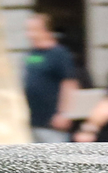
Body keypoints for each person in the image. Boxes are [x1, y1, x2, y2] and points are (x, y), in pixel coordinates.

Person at [21, 13, 85, 142]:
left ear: (45, 31)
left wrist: (64, 113)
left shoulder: (59, 54)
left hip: (53, 124)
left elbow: (70, 84)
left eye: (33, 30)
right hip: (33, 122)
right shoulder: (32, 54)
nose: (29, 35)